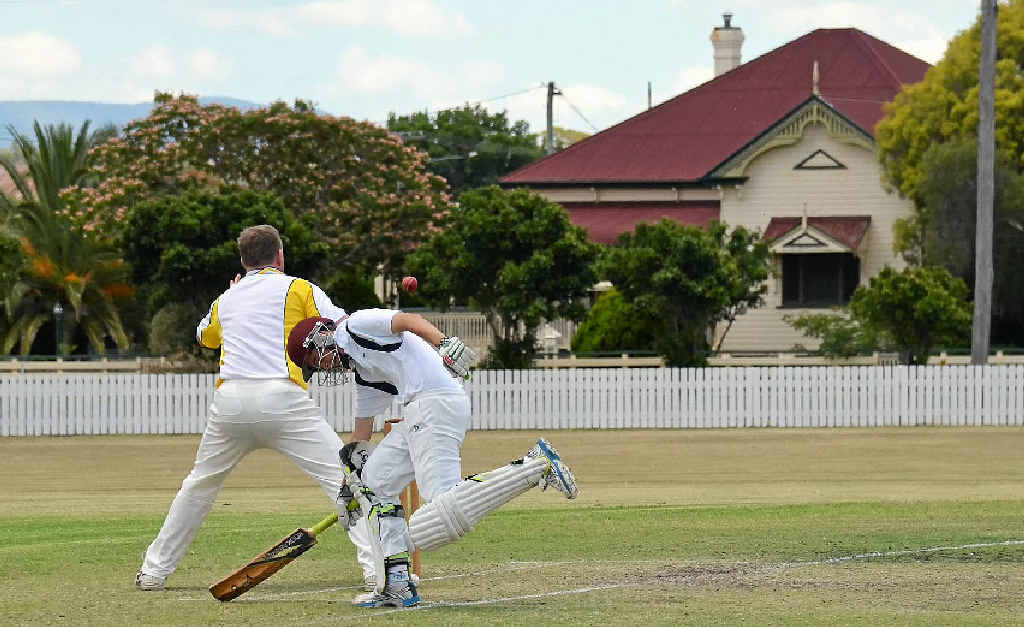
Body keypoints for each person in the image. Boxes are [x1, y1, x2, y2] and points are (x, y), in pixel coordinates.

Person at [135, 225, 376, 591]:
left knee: (199, 486)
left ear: (244, 261)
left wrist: (233, 297)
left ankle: (154, 571)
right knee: (344, 481)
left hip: (231, 402)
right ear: (279, 256)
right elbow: (342, 325)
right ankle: (378, 569)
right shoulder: (299, 288)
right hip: (282, 397)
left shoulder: (226, 298)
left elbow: (204, 337)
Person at [286, 308, 579, 608]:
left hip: (434, 405)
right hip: (418, 410)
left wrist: (443, 342)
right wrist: (350, 486)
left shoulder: (354, 327)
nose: (321, 368)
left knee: (436, 517)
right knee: (374, 483)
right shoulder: (363, 370)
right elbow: (362, 430)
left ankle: (535, 466)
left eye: (314, 360)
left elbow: (403, 320)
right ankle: (396, 585)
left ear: (319, 338)